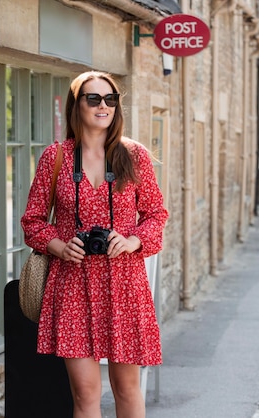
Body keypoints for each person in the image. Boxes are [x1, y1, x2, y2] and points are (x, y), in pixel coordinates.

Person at [21, 71, 169, 418]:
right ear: (78, 105)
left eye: (110, 99)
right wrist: (60, 246)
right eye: (94, 98)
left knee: (126, 388)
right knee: (86, 393)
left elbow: (156, 215)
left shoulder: (134, 156)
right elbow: (32, 221)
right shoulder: (55, 157)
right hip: (72, 285)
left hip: (124, 284)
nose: (103, 106)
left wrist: (132, 240)